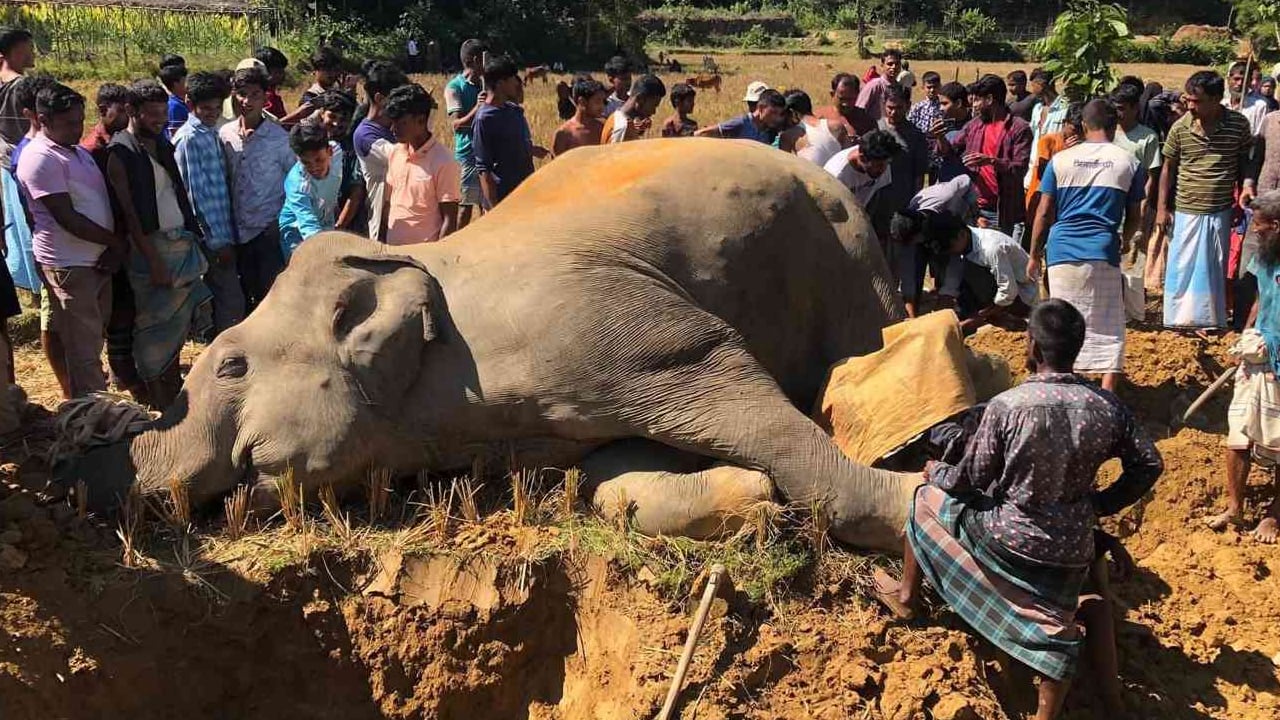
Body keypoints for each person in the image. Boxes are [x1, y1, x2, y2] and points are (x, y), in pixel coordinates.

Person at [872, 298, 1163, 720]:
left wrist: (935, 471)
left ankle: (906, 595)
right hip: (1072, 547)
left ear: (1034, 348)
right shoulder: (1107, 407)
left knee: (923, 499)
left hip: (1011, 540)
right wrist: (1097, 505)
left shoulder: (1007, 406)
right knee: (1088, 585)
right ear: (1076, 349)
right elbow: (1148, 464)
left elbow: (969, 479)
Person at [104, 79, 211, 408]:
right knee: (154, 332)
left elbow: (177, 194)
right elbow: (131, 216)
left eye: (163, 114)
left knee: (177, 327)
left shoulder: (161, 144)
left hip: (179, 245)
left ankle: (171, 390)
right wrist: (153, 260)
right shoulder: (120, 153)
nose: (160, 120)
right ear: (131, 111)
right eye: (151, 115)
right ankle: (160, 401)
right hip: (151, 252)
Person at [1028, 99, 1145, 392]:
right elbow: (1135, 215)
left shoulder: (1061, 160)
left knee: (1059, 325)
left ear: (1083, 125)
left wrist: (1033, 254)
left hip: (1061, 252)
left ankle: (1059, 390)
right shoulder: (1128, 162)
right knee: (1109, 327)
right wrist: (1125, 240)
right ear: (1114, 126)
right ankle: (1107, 396)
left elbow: (1043, 212)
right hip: (1102, 251)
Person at [17, 83, 124, 398]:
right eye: (67, 124)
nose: (77, 129)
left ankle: (94, 404)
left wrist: (111, 246)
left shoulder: (74, 151)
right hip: (69, 264)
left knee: (92, 340)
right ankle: (91, 415)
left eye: (79, 121)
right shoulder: (39, 158)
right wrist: (115, 243)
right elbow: (66, 217)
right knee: (83, 348)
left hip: (96, 260)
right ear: (43, 119)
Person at [1159, 71, 1255, 330]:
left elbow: (1243, 161)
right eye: (1187, 99)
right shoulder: (1180, 127)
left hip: (1220, 208)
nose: (1190, 106)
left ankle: (1208, 319)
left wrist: (1245, 187)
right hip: (1187, 207)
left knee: (1214, 265)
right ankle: (1177, 320)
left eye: (1196, 101)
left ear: (1216, 99)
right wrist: (1162, 208)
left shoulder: (1238, 124)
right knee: (1182, 265)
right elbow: (1168, 168)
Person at [1211, 189, 1280, 543]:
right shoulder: (1266, 258)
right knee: (1238, 433)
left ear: (1278, 226)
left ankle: (1273, 514)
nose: (1254, 232)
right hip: (1258, 355)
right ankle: (1235, 508)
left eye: (1260, 226)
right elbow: (1260, 299)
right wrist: (1248, 335)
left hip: (1278, 359)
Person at [220, 65, 296, 313]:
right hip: (235, 232)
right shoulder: (225, 134)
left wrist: (278, 224)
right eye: (242, 93)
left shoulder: (280, 139)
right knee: (243, 297)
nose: (247, 101)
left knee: (270, 299)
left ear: (266, 97)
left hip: (267, 231)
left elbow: (295, 182)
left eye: (254, 94)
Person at [173, 71, 240, 336]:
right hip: (213, 240)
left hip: (225, 233)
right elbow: (195, 196)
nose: (212, 113)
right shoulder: (189, 139)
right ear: (190, 104)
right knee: (229, 301)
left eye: (216, 108)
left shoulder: (211, 133)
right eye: (206, 109)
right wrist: (216, 241)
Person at [947, 74, 1032, 237]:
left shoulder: (1019, 128)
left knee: (1000, 260)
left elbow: (1019, 168)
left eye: (977, 100)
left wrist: (991, 161)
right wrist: (939, 139)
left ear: (990, 99)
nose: (974, 105)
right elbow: (950, 149)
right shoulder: (975, 125)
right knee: (973, 260)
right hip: (974, 209)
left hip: (1002, 212)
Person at [926, 212, 1038, 329]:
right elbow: (951, 282)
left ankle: (1003, 317)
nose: (951, 252)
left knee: (972, 271)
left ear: (961, 234)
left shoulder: (991, 248)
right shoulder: (960, 244)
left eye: (951, 248)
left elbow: (1008, 290)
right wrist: (938, 319)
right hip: (994, 291)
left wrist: (978, 317)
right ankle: (984, 314)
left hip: (1020, 294)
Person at [384, 84, 460, 245]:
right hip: (393, 254)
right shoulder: (395, 153)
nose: (393, 129)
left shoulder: (444, 161)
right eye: (392, 122)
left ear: (421, 120)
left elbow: (450, 219)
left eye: (401, 123)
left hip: (423, 260)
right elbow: (388, 205)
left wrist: (437, 258)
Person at [473, 55, 539, 207]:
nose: (517, 83)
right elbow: (484, 169)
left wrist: (531, 149)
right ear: (501, 84)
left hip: (525, 192)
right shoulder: (485, 119)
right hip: (504, 199)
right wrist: (494, 208)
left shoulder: (514, 111)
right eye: (513, 79)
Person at [354, 60, 408, 242]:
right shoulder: (365, 135)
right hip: (386, 223)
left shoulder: (397, 127)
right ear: (379, 98)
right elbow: (402, 158)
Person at [1111, 83, 1163, 264]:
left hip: (1134, 204)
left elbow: (1151, 177)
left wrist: (1142, 206)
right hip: (1109, 202)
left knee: (1132, 256)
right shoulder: (1106, 133)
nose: (1117, 113)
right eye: (1115, 108)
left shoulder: (1148, 138)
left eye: (1121, 109)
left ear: (1135, 108)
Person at [279, 122, 342, 261]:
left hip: (326, 219)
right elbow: (309, 226)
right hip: (297, 231)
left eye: (319, 160)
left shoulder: (337, 152)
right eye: (306, 162)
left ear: (330, 151)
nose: (314, 167)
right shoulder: (297, 185)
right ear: (297, 158)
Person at [445, 40, 487, 228]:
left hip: (488, 153)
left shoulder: (488, 85)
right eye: (486, 60)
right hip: (468, 156)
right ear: (476, 60)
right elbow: (456, 125)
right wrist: (477, 107)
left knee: (489, 207)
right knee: (465, 208)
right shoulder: (455, 87)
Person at [312, 89, 365, 234]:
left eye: (343, 119)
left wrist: (339, 227)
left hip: (343, 227)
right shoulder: (310, 142)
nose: (336, 123)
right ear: (322, 113)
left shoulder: (353, 149)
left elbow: (356, 193)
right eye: (332, 116)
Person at [1025, 103, 1083, 223]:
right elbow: (1043, 172)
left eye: (1081, 131)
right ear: (1064, 123)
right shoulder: (1048, 141)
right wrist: (1065, 153)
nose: (1076, 135)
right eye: (1073, 129)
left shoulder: (1082, 146)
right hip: (1041, 202)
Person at [823, 129, 902, 208]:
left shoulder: (881, 161)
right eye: (879, 165)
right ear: (863, 158)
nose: (883, 169)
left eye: (887, 163)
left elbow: (878, 195)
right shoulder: (837, 176)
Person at [1024, 68, 1069, 193]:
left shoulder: (1065, 108)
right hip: (1034, 166)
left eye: (1033, 85)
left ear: (1041, 84)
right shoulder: (1037, 109)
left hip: (1056, 167)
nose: (1031, 89)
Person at [780, 89, 846, 167]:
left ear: (792, 113)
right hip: (836, 177)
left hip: (810, 178)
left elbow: (784, 166)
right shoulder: (836, 126)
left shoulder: (789, 135)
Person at [696, 88, 786, 144]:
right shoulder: (742, 123)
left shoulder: (769, 130)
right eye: (773, 113)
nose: (777, 118)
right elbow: (702, 133)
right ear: (761, 108)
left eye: (779, 114)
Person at [0, 27, 36, 157]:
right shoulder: (25, 85)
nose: (34, 53)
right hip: (26, 155)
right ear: (17, 51)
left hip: (4, 156)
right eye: (30, 48)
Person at [927, 81, 971, 183]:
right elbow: (943, 153)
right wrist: (939, 137)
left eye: (945, 103)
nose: (941, 108)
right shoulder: (941, 123)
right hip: (947, 180)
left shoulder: (975, 124)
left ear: (958, 103)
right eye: (940, 104)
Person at [601, 75, 666, 144]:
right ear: (640, 99)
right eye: (653, 106)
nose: (653, 112)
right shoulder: (623, 128)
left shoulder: (616, 116)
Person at [553, 77, 607, 154]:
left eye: (603, 101)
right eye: (597, 101)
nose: (602, 106)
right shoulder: (564, 134)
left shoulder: (603, 127)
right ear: (582, 102)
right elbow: (557, 164)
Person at [80, 83, 132, 162]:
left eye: (129, 110)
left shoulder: (128, 138)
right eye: (122, 111)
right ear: (103, 110)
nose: (128, 116)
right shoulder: (90, 150)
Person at [815, 72, 874, 140]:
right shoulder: (819, 118)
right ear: (832, 94)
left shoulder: (866, 120)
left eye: (850, 99)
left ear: (857, 95)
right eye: (842, 99)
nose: (845, 104)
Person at [1225, 60, 1270, 137]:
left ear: (1249, 82)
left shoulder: (1259, 106)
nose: (1240, 83)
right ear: (1229, 80)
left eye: (1244, 80)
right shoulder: (1222, 104)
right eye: (1236, 79)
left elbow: (1259, 137)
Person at [856, 48, 902, 122]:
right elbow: (859, 110)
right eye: (889, 64)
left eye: (897, 64)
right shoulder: (874, 85)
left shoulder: (899, 88)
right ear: (882, 65)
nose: (894, 67)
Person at [254, 46, 290, 119]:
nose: (282, 74)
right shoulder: (262, 98)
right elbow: (270, 126)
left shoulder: (273, 96)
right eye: (278, 71)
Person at [158, 54, 188, 139]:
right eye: (185, 81)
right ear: (176, 83)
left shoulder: (180, 102)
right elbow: (176, 135)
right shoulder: (174, 106)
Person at [907, 71, 942, 137]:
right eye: (929, 87)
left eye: (935, 87)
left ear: (940, 86)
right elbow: (910, 126)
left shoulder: (943, 107)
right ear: (923, 87)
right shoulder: (917, 108)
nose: (932, 90)